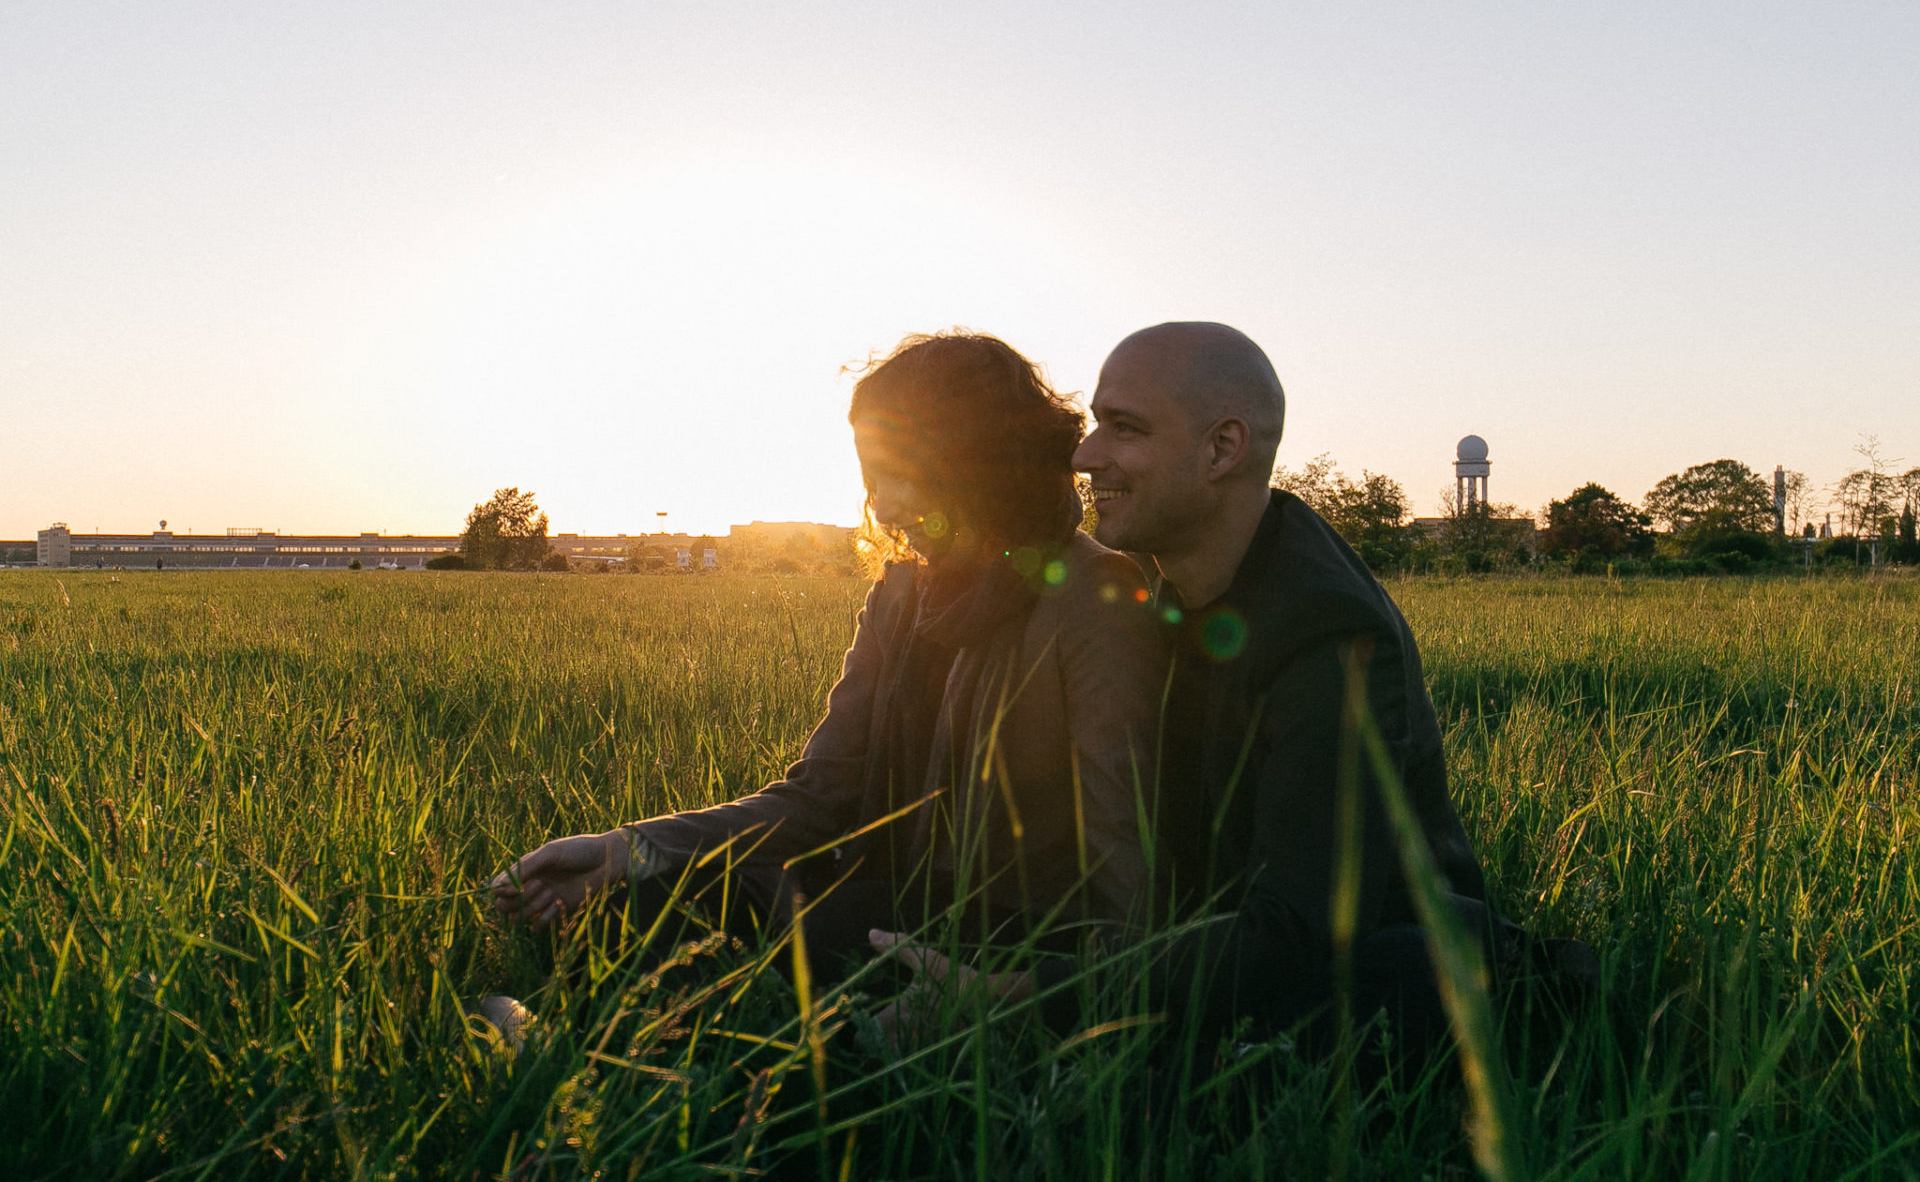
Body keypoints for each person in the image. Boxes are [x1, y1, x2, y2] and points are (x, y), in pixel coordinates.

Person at [488, 331, 1166, 1033]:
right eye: (870, 476)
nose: (883, 502)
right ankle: (611, 1048)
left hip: (1001, 939)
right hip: (875, 898)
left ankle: (609, 1067)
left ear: (974, 461)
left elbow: (1126, 871)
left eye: (896, 470)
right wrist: (624, 850)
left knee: (832, 955)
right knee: (638, 895)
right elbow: (817, 797)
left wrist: (1026, 992)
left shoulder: (1094, 595)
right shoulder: (901, 596)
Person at [1069, 320, 1506, 1066]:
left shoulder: (1327, 632)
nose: (1085, 455)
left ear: (1222, 448)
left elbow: (1293, 936)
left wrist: (1028, 992)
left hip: (1376, 973)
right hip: (1222, 937)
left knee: (1161, 1073)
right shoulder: (1149, 589)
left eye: (1124, 428)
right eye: (1091, 424)